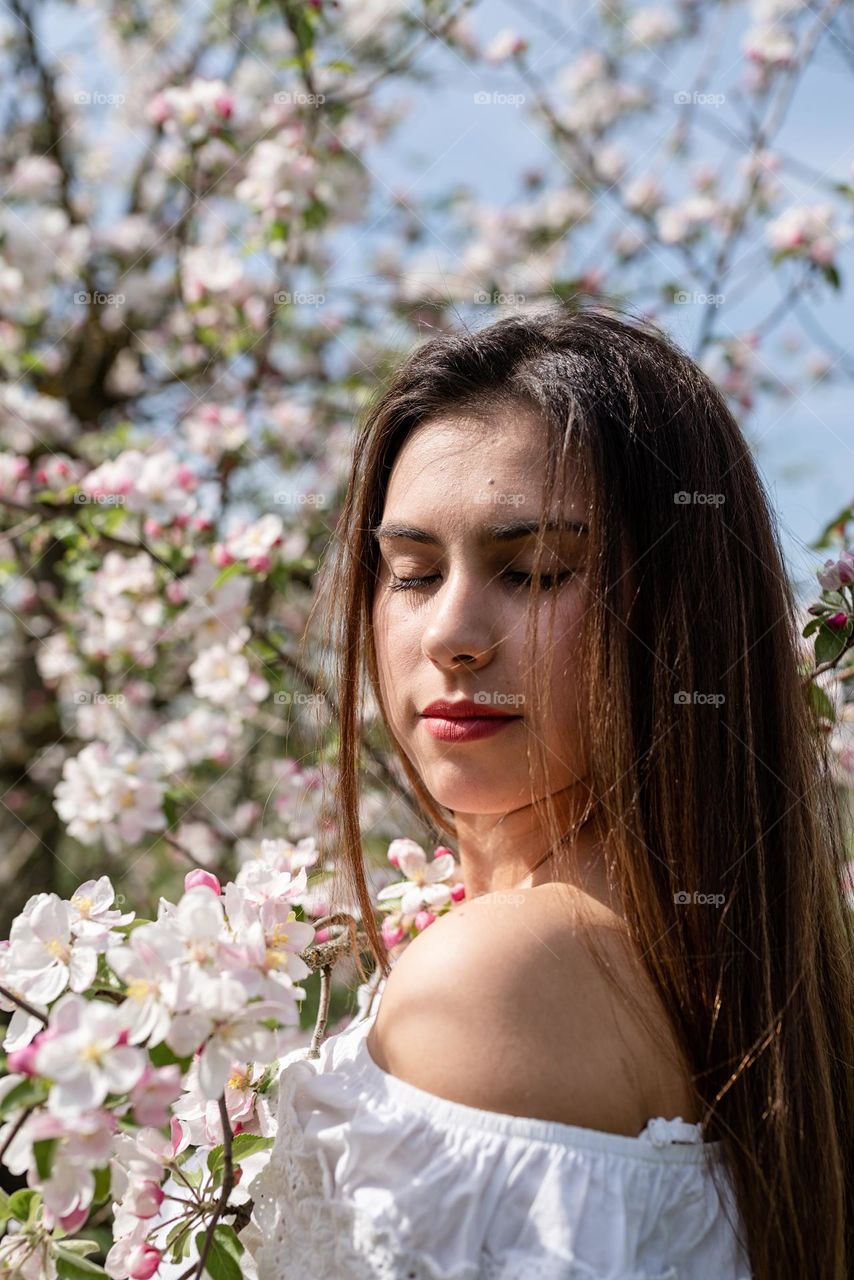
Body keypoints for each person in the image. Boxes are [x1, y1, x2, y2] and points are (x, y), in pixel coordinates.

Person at [243, 302, 854, 1280]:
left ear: (680, 612)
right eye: (409, 571)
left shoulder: (504, 974)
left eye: (531, 572)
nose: (452, 632)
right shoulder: (726, 975)